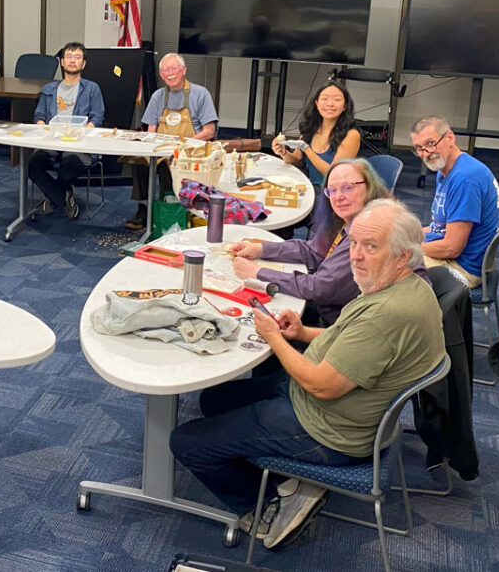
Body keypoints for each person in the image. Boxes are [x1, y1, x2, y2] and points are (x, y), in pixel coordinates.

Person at [170, 199, 444, 550]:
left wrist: (272, 338)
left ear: (403, 255)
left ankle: (270, 505)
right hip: (334, 402)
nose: (355, 256)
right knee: (215, 398)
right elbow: (350, 340)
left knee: (187, 442)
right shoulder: (408, 286)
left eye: (370, 247)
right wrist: (300, 335)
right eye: (354, 243)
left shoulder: (386, 313)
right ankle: (287, 477)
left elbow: (321, 385)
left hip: (327, 428)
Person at [229, 158, 396, 325]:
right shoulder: (346, 219)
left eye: (348, 188)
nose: (338, 197)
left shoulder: (367, 233)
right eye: (332, 190)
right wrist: (261, 249)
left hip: (337, 326)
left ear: (369, 187)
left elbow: (319, 288)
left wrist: (257, 273)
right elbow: (313, 251)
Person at [126, 53, 254, 230]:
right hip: (163, 148)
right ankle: (144, 207)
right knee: (138, 160)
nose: (170, 73)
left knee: (171, 165)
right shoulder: (157, 96)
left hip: (192, 151)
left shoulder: (200, 94)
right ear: (161, 75)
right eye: (165, 70)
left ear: (183, 70)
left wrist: (185, 144)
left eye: (173, 69)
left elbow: (209, 132)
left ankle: (172, 210)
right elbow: (151, 129)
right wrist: (151, 146)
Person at [410, 115, 499, 288]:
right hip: (455, 255)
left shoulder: (465, 179)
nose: (426, 153)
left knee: (387, 264)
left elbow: (452, 247)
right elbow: (443, 225)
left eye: (431, 143)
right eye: (419, 148)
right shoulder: (445, 167)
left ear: (450, 138)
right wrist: (409, 234)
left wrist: (407, 249)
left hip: (462, 268)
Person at [28, 42, 105, 219]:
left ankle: (53, 196)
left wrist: (80, 133)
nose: (72, 61)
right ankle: (62, 196)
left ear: (83, 64)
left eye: (77, 57)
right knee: (32, 165)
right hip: (52, 142)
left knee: (70, 162)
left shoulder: (92, 89)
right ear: (62, 62)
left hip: (79, 144)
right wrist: (43, 127)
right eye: (68, 57)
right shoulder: (49, 90)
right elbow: (39, 116)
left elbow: (97, 118)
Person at [271, 81, 361, 189]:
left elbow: (334, 174)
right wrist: (283, 152)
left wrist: (306, 148)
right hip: (311, 187)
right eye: (324, 99)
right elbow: (297, 161)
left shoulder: (351, 135)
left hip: (335, 192)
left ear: (345, 106)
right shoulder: (311, 128)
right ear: (317, 104)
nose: (330, 104)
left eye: (337, 100)